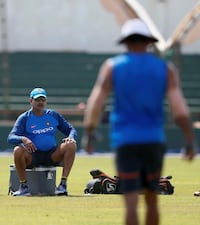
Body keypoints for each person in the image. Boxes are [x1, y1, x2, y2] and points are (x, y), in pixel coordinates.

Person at [82, 18, 196, 225]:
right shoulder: (165, 69)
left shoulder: (112, 67)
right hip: (153, 141)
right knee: (152, 201)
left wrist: (89, 132)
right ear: (148, 42)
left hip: (125, 142)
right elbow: (179, 109)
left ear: (126, 42)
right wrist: (189, 138)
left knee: (131, 202)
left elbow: (96, 103)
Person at [7, 87, 77, 196]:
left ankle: (63, 185)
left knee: (71, 145)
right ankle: (23, 187)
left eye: (43, 100)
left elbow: (71, 129)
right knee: (17, 150)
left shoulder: (53, 115)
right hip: (32, 156)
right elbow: (11, 137)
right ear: (31, 101)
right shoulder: (24, 118)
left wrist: (71, 137)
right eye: (37, 100)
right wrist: (23, 139)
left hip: (51, 155)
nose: (40, 102)